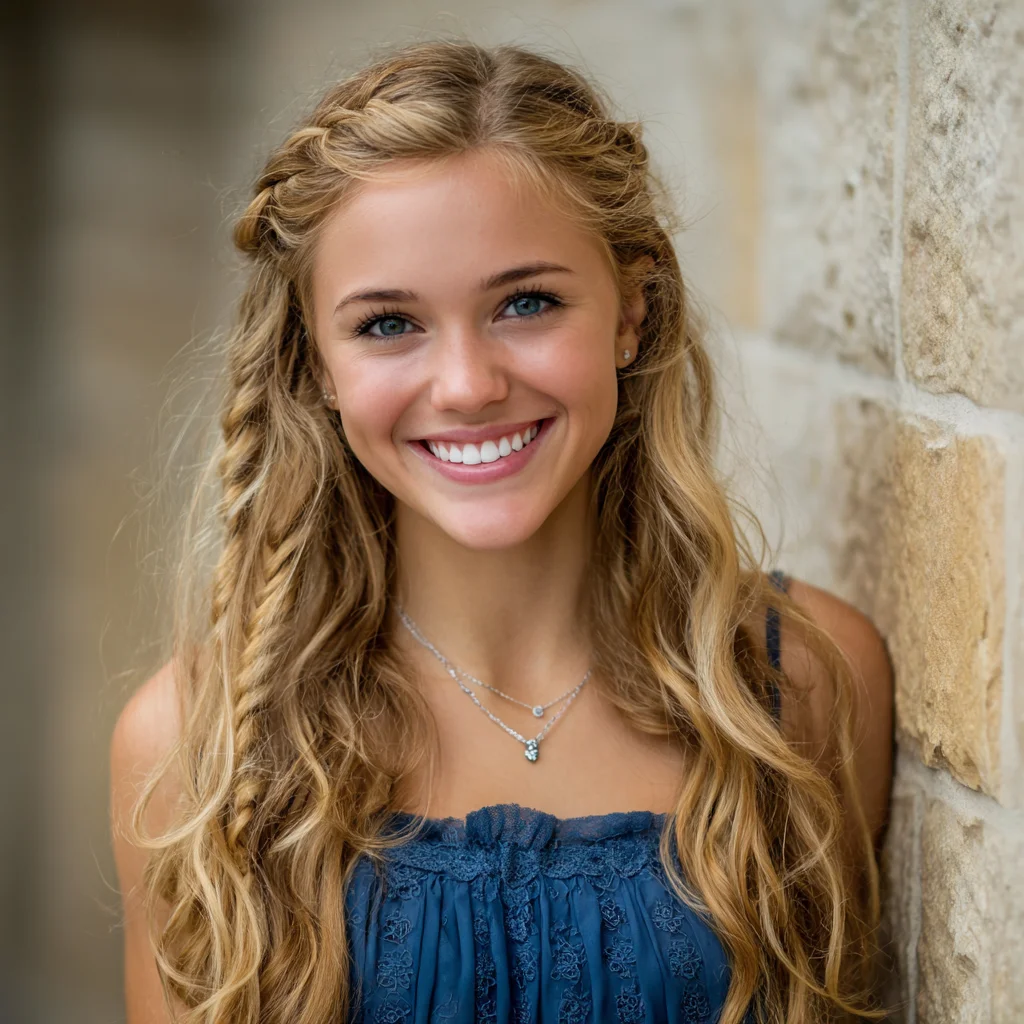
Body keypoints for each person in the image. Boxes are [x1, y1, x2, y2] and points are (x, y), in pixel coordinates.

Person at [110, 39, 894, 1024]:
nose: (468, 385)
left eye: (526, 303)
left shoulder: (799, 686)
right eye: (388, 324)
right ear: (315, 363)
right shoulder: (198, 744)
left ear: (631, 314)